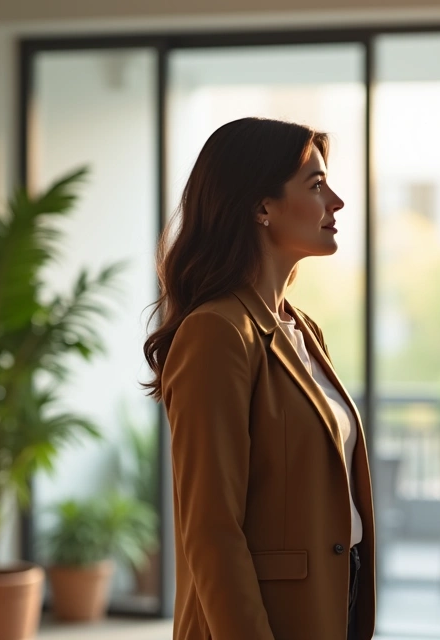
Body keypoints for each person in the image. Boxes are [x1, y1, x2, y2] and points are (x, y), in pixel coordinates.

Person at [143, 117, 375, 640]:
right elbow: (211, 529)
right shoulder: (216, 332)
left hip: (332, 600)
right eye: (316, 186)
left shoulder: (300, 328)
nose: (336, 202)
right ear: (260, 207)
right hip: (262, 620)